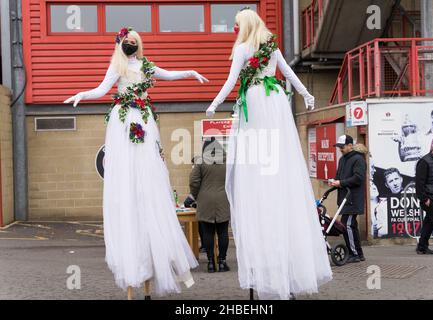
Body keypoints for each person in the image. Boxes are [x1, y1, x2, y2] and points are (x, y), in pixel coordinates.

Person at [63, 27, 208, 298]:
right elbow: (101, 89)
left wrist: (190, 72)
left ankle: (150, 258)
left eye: (134, 41)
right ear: (120, 44)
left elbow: (169, 74)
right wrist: (82, 94)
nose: (130, 44)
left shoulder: (146, 66)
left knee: (148, 170)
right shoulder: (116, 66)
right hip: (124, 121)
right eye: (126, 41)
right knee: (128, 175)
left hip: (142, 118)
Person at [205, 8, 332, 300]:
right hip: (274, 101)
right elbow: (288, 75)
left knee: (255, 162)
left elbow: (231, 82)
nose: (235, 30)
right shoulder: (271, 46)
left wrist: (214, 104)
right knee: (279, 160)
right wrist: (307, 94)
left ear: (244, 26)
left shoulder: (242, 49)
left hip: (256, 102)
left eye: (236, 25)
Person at [189, 138, 231, 273]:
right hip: (223, 199)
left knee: (207, 232)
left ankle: (211, 263)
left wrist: (196, 196)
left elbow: (194, 181)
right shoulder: (227, 161)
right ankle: (222, 262)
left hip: (205, 199)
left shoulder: (200, 162)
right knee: (223, 232)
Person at [330, 135, 367, 263]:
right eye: (339, 147)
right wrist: (335, 182)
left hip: (353, 198)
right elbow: (339, 176)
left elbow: (358, 178)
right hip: (345, 198)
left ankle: (355, 253)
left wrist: (341, 183)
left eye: (343, 146)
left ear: (350, 146)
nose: (340, 149)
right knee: (349, 225)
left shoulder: (358, 159)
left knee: (348, 224)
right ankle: (358, 253)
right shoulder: (342, 160)